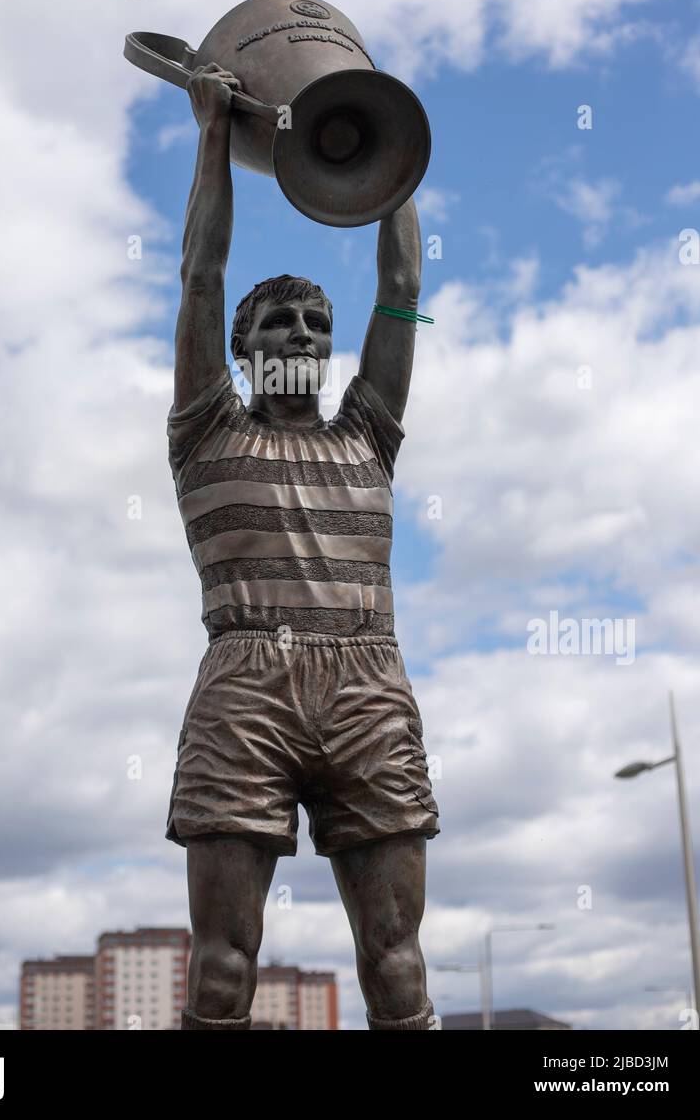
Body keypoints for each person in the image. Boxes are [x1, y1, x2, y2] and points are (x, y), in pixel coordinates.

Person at [166, 62, 440, 1031]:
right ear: (243, 345)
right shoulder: (207, 427)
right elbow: (202, 272)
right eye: (278, 319)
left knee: (397, 967)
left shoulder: (367, 432)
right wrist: (212, 131)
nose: (300, 329)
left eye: (316, 322)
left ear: (331, 348)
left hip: (366, 682)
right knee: (220, 974)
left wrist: (381, 153)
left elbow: (401, 279)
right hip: (245, 684)